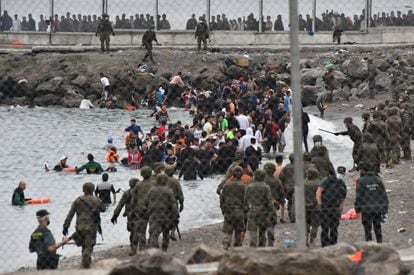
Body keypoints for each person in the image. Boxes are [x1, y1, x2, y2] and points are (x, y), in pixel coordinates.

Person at [63, 182, 106, 268]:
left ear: (83, 190)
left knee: (84, 244)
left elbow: (70, 214)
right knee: (89, 245)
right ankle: (86, 262)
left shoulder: (78, 200)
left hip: (80, 226)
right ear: (93, 189)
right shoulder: (96, 200)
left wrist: (66, 226)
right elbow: (103, 209)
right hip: (91, 226)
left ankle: (85, 260)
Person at [355, 162, 389, 243]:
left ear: (363, 170)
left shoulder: (361, 180)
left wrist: (357, 208)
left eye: (360, 170)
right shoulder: (377, 179)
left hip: (366, 208)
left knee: (367, 228)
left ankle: (369, 244)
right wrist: (385, 208)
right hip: (377, 207)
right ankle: (379, 243)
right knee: (377, 226)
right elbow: (383, 194)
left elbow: (359, 195)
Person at [145, 174, 178, 252]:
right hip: (166, 214)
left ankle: (154, 245)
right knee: (166, 233)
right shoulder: (168, 190)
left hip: (154, 214)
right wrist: (175, 214)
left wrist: (147, 210)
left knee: (154, 232)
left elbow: (146, 202)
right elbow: (173, 203)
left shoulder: (152, 190)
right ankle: (164, 249)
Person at [316, 166, 347, 247]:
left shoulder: (331, 181)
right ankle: (329, 244)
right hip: (329, 207)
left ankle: (329, 244)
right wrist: (319, 204)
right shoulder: (332, 181)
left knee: (330, 228)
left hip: (330, 207)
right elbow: (319, 192)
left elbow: (319, 192)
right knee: (329, 228)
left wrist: (341, 206)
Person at [244, 169, 275, 247]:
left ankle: (253, 247)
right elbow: (269, 201)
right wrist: (272, 212)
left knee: (252, 231)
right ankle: (262, 247)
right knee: (262, 232)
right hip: (263, 211)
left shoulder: (249, 186)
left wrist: (247, 209)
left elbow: (245, 200)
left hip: (252, 210)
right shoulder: (266, 187)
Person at [220, 166, 246, 249]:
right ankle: (237, 246)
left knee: (228, 230)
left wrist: (223, 209)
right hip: (239, 210)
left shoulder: (226, 185)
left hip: (228, 210)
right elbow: (246, 199)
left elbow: (222, 198)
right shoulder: (243, 186)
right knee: (238, 231)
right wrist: (245, 211)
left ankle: (226, 243)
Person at [111, 178, 139, 255]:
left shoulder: (127, 193)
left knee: (132, 231)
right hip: (140, 214)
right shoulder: (142, 192)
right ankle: (135, 247)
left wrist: (115, 215)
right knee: (138, 231)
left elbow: (120, 205)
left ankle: (133, 247)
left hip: (130, 215)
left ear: (130, 184)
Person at [130, 166, 154, 253]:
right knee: (153, 229)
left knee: (141, 231)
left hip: (140, 210)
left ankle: (142, 247)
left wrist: (132, 208)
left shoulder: (138, 185)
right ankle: (151, 245)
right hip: (152, 209)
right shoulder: (154, 183)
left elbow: (133, 198)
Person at [263, 163, 285, 246]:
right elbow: (282, 194)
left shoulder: (261, 180)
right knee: (271, 224)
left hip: (262, 204)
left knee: (261, 225)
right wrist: (281, 202)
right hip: (273, 205)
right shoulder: (277, 181)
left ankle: (262, 242)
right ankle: (270, 242)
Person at [165, 167, 184, 241]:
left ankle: (165, 233)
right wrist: (181, 203)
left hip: (163, 202)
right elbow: (180, 193)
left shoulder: (162, 180)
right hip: (173, 202)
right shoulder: (175, 181)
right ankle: (172, 232)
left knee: (165, 217)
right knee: (175, 218)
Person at [304, 168, 320, 247]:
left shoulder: (303, 183)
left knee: (306, 223)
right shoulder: (319, 184)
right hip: (315, 207)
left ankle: (305, 238)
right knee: (315, 225)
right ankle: (312, 240)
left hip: (305, 207)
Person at [279, 154, 296, 223]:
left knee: (290, 202)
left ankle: (291, 215)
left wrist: (283, 186)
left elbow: (281, 177)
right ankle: (295, 216)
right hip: (298, 186)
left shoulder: (286, 167)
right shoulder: (300, 167)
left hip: (288, 187)